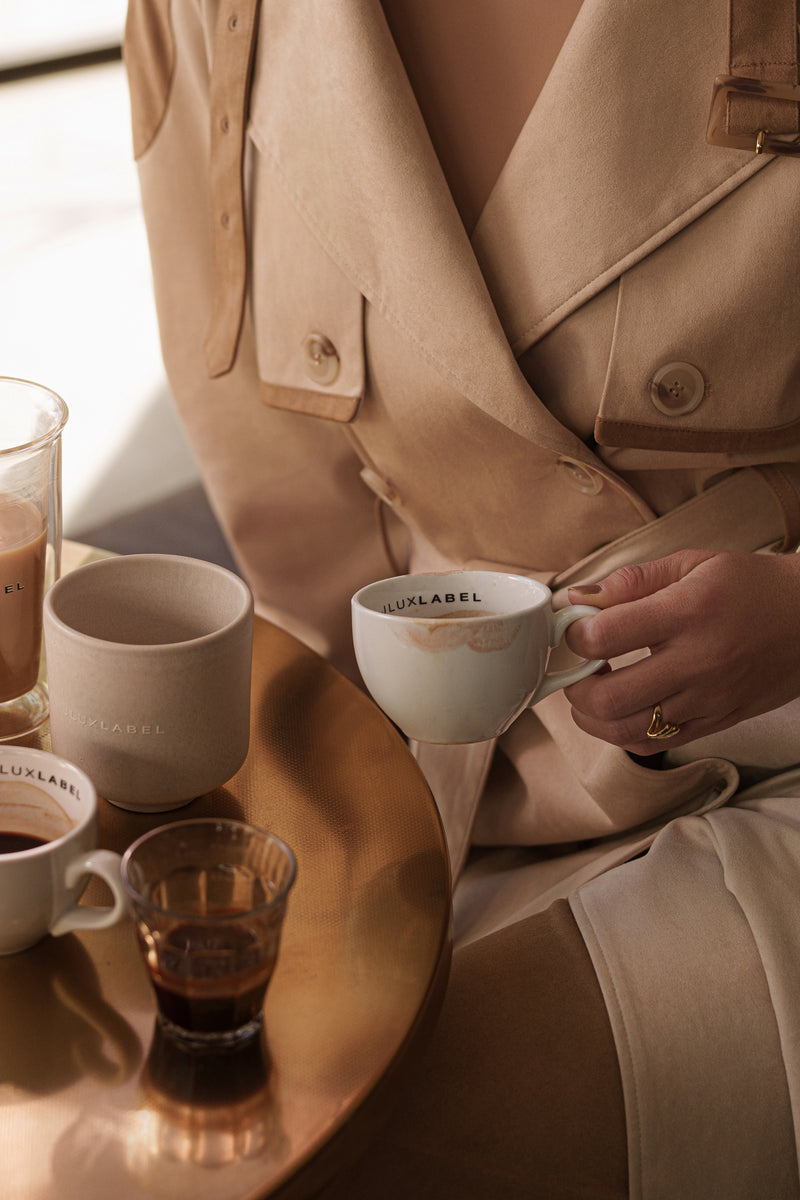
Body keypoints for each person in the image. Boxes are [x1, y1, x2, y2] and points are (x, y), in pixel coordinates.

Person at [123, 0, 800, 1194]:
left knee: (342, 1153)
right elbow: (281, 494)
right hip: (418, 757)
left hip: (777, 754)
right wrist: (349, 783)